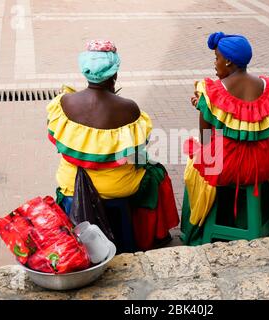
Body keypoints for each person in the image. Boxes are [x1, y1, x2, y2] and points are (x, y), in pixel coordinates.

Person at [46, 40, 179, 252]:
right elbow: (137, 155)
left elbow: (57, 141)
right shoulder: (128, 109)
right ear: (114, 74)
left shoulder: (63, 103)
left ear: (85, 72)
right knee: (157, 174)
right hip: (118, 187)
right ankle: (155, 237)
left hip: (72, 184)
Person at [181, 32, 269, 245]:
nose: (215, 64)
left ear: (228, 61)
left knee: (195, 163)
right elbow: (262, 129)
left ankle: (199, 225)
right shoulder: (268, 87)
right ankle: (262, 217)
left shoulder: (212, 91)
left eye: (217, 58)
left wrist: (204, 109)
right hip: (264, 161)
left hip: (229, 165)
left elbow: (206, 140)